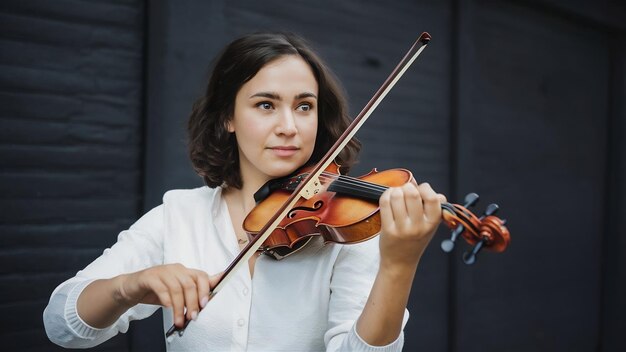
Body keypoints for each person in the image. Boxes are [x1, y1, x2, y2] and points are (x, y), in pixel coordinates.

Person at [44, 32, 446, 351]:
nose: (290, 125)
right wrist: (130, 285)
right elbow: (63, 326)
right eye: (266, 105)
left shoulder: (345, 228)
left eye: (304, 106)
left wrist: (398, 265)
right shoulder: (178, 216)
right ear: (228, 118)